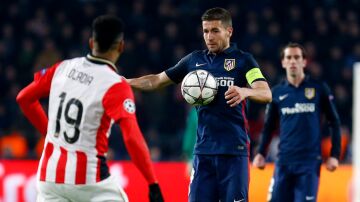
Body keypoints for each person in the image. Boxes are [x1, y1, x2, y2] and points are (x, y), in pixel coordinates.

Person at [128, 7, 272, 202]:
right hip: (203, 152)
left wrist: (244, 91)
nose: (209, 36)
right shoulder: (194, 60)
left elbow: (265, 93)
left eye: (215, 31)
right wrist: (124, 82)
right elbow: (156, 80)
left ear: (229, 31)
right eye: (205, 31)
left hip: (233, 151)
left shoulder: (244, 61)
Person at [16, 15, 164, 202]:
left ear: (91, 42)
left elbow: (23, 98)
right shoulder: (115, 84)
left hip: (49, 177)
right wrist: (152, 182)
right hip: (90, 181)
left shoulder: (63, 68)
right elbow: (132, 137)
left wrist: (49, 133)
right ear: (121, 46)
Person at [253, 42, 341, 202]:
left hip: (309, 163)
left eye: (297, 57)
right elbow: (269, 127)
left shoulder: (319, 89)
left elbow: (334, 122)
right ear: (283, 62)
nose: (293, 61)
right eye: (289, 57)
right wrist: (261, 153)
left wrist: (334, 155)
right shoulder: (277, 93)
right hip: (283, 162)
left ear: (304, 61)